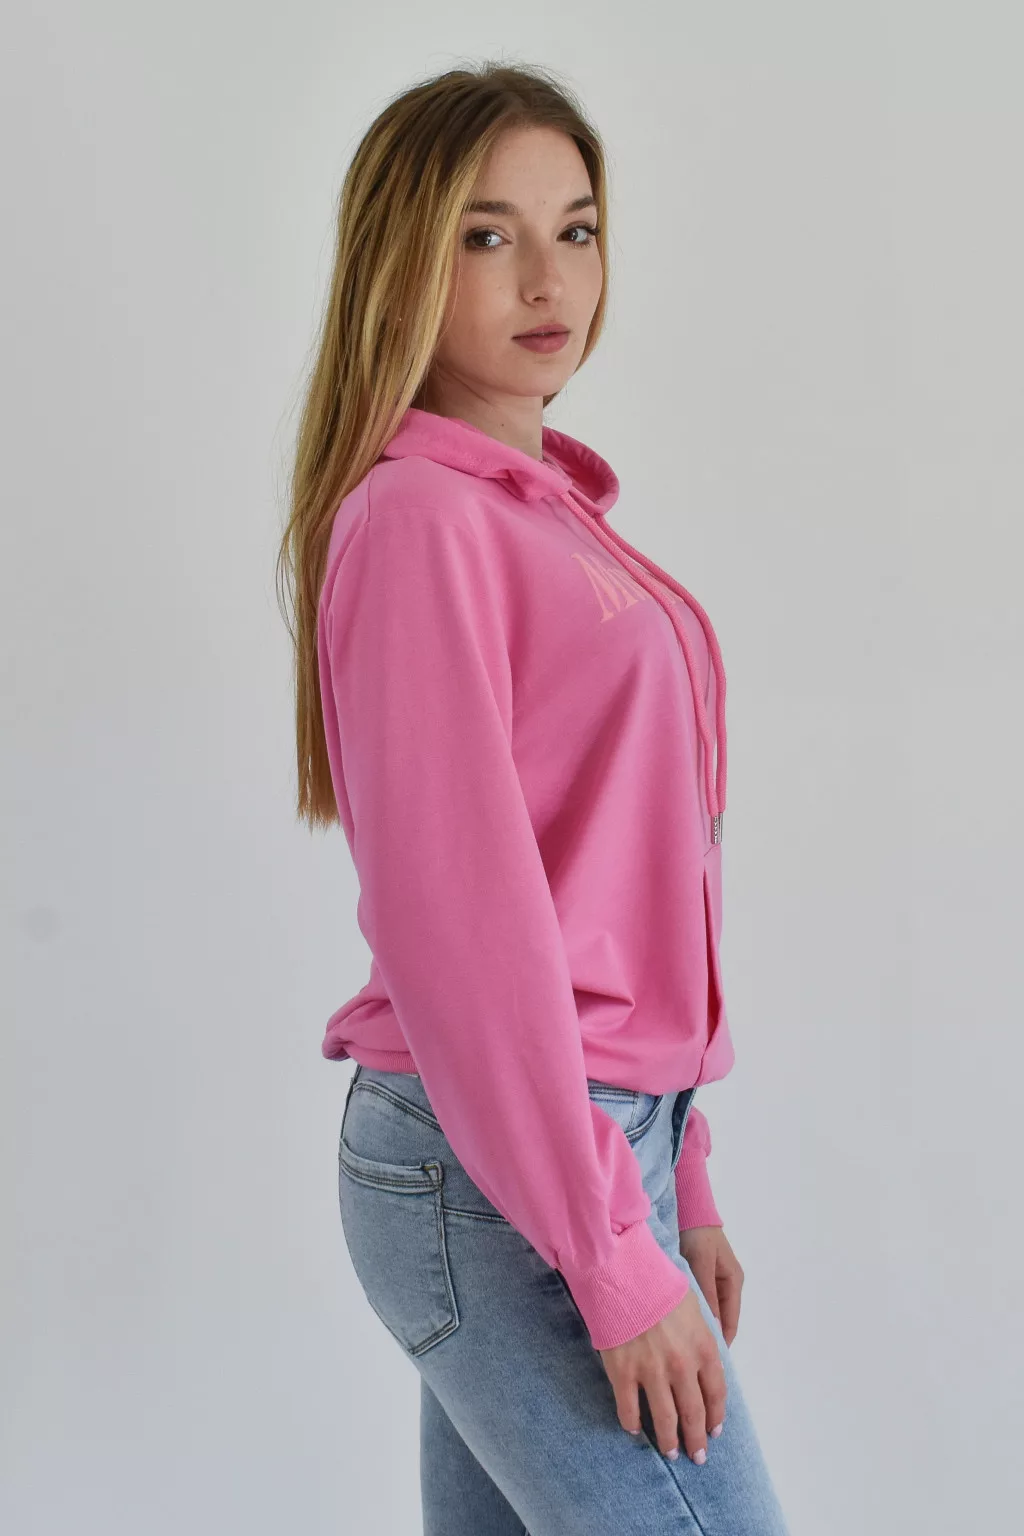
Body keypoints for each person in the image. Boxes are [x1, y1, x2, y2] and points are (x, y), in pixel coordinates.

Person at [278, 59, 790, 1536]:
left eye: (577, 228)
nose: (548, 276)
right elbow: (467, 937)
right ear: (402, 257)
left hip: (581, 1144)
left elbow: (631, 873)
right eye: (488, 234)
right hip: (503, 1164)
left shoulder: (547, 513)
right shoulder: (418, 520)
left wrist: (684, 1169)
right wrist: (611, 1253)